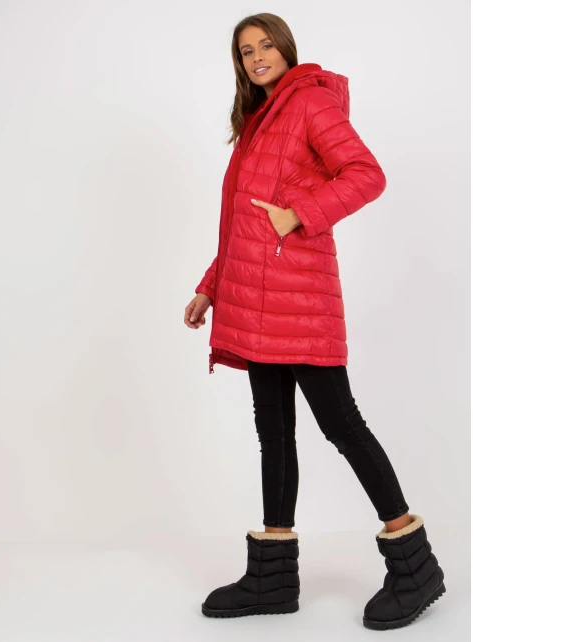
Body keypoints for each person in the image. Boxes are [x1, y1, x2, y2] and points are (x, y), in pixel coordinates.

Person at [183, 13, 446, 630]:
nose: (256, 57)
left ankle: (414, 566)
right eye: (245, 51)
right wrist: (211, 286)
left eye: (265, 45)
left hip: (298, 302)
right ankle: (272, 577)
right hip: (256, 303)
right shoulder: (258, 120)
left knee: (341, 425)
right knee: (273, 433)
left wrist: (299, 212)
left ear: (286, 48)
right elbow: (244, 224)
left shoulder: (309, 103)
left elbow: (367, 174)